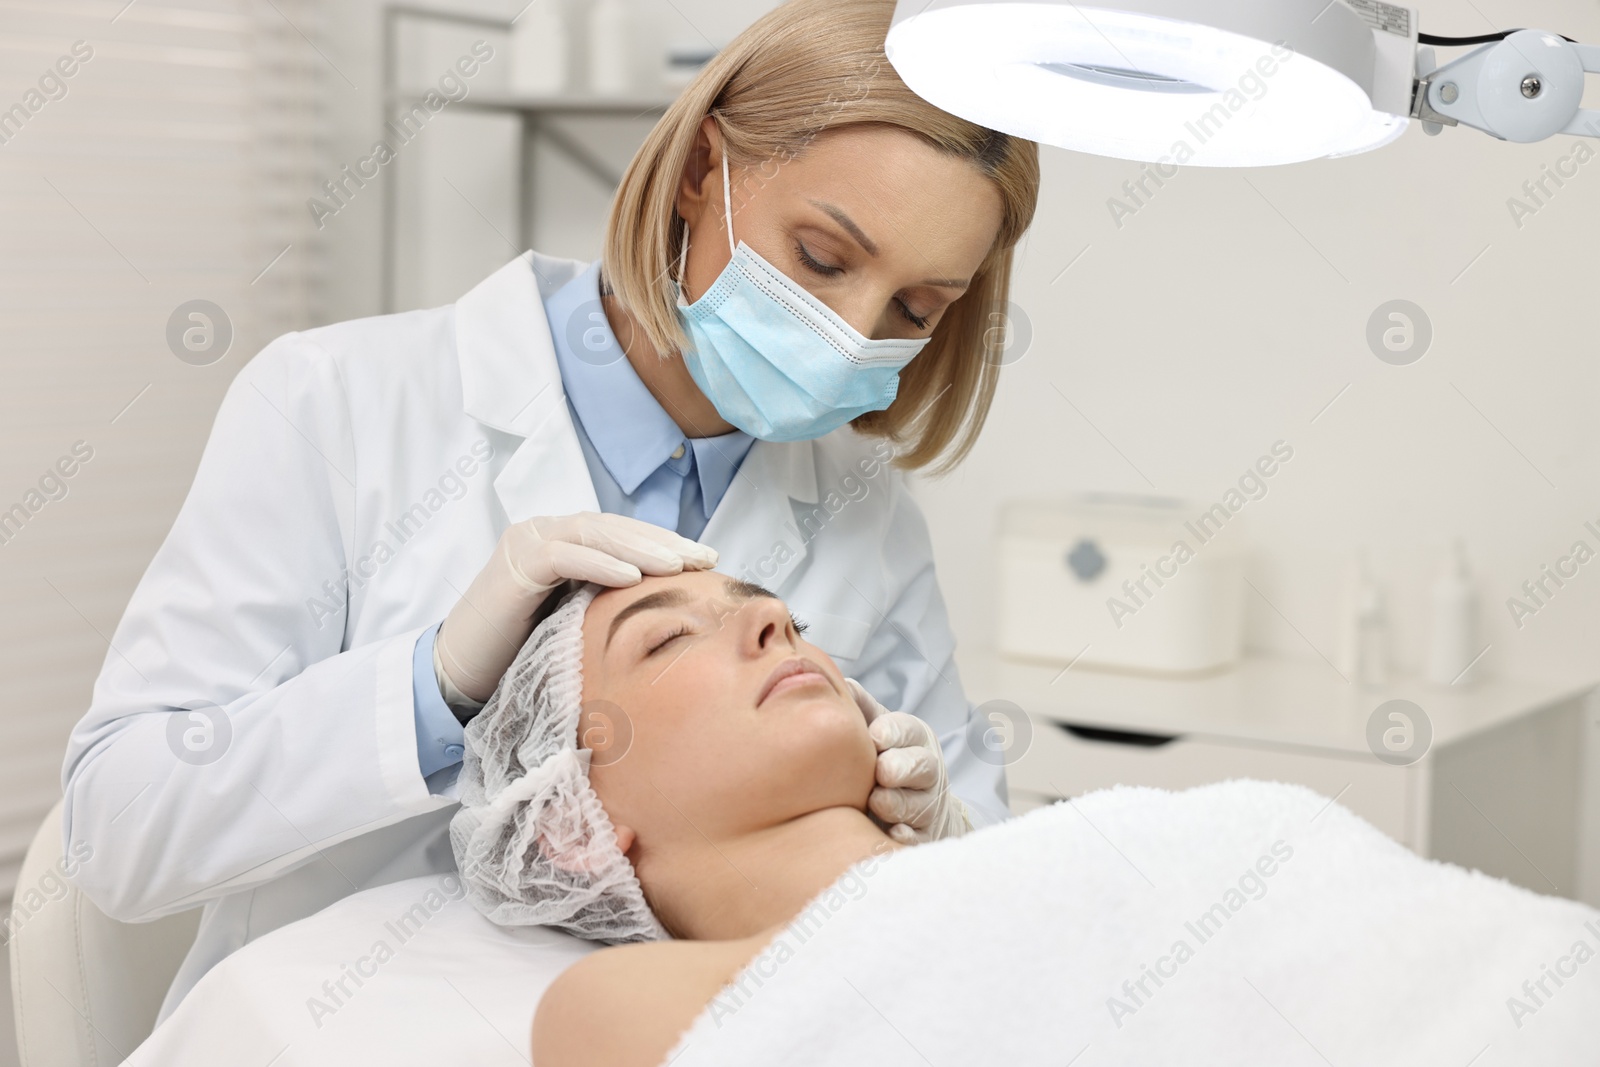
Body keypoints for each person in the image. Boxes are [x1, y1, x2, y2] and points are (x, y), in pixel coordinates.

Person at [60, 0, 1039, 1021]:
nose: (850, 333)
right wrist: (430, 688)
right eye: (823, 258)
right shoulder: (334, 401)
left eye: (914, 310)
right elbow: (117, 830)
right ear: (705, 170)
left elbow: (992, 882)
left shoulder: (864, 509)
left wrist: (930, 824)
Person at [446, 571, 906, 1067]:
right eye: (669, 640)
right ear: (573, 827)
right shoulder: (625, 1014)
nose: (773, 617)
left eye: (798, 621)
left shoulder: (995, 866)